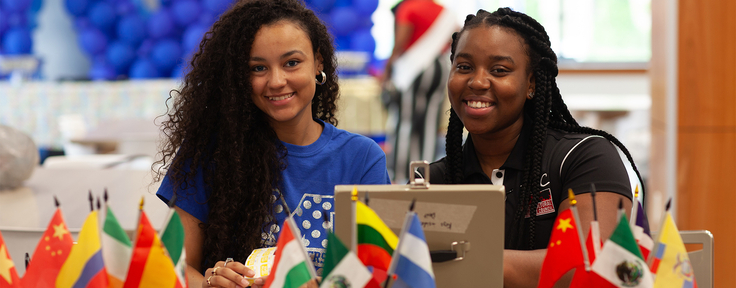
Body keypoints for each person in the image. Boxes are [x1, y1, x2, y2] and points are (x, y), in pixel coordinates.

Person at [153, 0, 391, 287]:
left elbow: (380, 272)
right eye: (258, 68)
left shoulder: (363, 158)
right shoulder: (209, 153)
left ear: (319, 63)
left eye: (292, 63)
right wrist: (209, 283)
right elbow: (167, 269)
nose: (277, 81)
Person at [426, 8, 645, 287]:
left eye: (499, 70)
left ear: (531, 83)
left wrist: (462, 260)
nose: (477, 82)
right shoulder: (435, 181)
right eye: (464, 67)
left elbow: (592, 265)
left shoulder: (585, 157)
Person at [382, 0, 456, 183]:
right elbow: (457, 36)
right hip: (440, 68)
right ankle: (427, 174)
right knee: (430, 123)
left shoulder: (409, 8)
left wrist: (388, 69)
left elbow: (400, 43)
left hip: (415, 70)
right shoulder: (443, 10)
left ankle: (400, 176)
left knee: (406, 122)